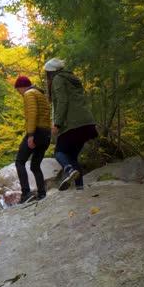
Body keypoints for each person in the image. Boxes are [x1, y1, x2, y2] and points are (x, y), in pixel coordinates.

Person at [45, 58, 98, 191]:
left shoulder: (57, 79)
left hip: (72, 124)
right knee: (72, 156)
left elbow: (62, 102)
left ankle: (69, 171)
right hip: (87, 122)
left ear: (50, 72)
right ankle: (79, 187)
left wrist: (57, 123)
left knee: (59, 152)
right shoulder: (73, 78)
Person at [13, 75, 52, 203]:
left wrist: (30, 135)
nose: (19, 93)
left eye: (18, 90)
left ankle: (26, 193)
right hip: (46, 133)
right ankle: (42, 193)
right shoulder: (40, 94)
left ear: (21, 87)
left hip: (37, 132)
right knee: (35, 165)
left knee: (20, 161)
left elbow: (32, 115)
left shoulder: (29, 94)